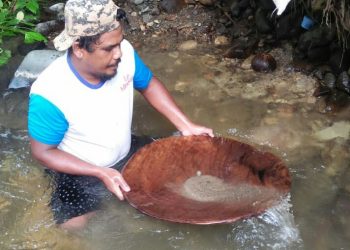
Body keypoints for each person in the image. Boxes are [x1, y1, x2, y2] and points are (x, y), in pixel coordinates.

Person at [28, 0, 213, 231]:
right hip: (80, 170)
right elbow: (43, 152)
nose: (118, 54)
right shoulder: (50, 93)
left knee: (196, 156)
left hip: (127, 151)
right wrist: (99, 171)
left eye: (120, 43)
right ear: (78, 48)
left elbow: (148, 84)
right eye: (108, 49)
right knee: (73, 227)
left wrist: (186, 125)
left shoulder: (124, 53)